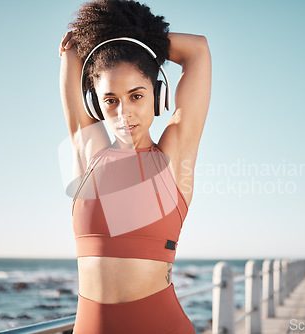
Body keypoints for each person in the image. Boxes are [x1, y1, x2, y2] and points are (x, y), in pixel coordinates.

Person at [58, 0, 211, 333]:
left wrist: (129, 36)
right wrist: (94, 41)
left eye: (137, 96)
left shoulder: (173, 158)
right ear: (95, 104)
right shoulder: (88, 153)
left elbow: (197, 50)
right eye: (110, 100)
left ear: (157, 97)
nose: (123, 112)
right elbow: (72, 54)